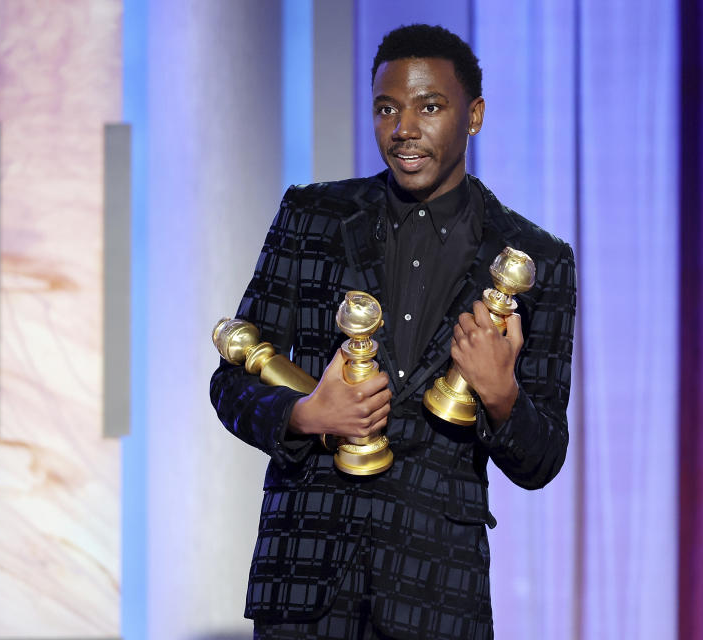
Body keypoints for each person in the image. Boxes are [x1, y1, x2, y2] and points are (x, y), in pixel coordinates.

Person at [210, 23, 576, 640]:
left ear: (474, 115)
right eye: (387, 108)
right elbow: (231, 382)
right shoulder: (312, 216)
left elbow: (543, 458)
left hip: (437, 591)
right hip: (304, 581)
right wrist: (306, 415)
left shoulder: (535, 258)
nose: (404, 128)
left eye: (429, 107)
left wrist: (501, 394)